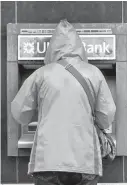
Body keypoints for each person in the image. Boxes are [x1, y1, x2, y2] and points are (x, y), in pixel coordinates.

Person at [11, 19, 116, 185]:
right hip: (84, 162)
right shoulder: (94, 73)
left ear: (52, 48)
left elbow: (20, 114)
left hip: (48, 161)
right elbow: (106, 116)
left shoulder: (41, 74)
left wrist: (43, 110)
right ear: (80, 47)